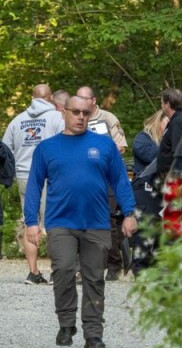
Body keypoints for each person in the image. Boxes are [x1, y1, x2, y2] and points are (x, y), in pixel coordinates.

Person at [24, 96, 137, 348]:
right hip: (61, 221)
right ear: (64, 112)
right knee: (63, 269)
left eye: (86, 112)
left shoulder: (104, 145)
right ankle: (66, 324)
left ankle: (93, 333)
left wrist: (129, 213)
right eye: (75, 112)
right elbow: (33, 185)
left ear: (91, 112)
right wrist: (31, 221)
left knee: (94, 277)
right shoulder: (47, 148)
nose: (81, 117)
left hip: (96, 222)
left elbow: (120, 180)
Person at [2, 83, 65, 285]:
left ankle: (33, 271)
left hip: (24, 175)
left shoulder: (17, 121)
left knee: (31, 222)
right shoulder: (57, 117)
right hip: (50, 176)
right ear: (50, 98)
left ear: (32, 97)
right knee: (54, 222)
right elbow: (66, 144)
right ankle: (56, 272)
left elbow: (5, 150)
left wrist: (13, 172)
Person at [75, 86, 128, 281]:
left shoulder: (108, 118)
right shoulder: (76, 120)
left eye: (84, 98)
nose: (80, 102)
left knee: (109, 221)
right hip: (83, 178)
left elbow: (121, 146)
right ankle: (85, 266)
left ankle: (115, 264)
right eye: (77, 97)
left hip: (107, 177)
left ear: (93, 101)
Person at [128, 110, 168, 275]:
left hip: (162, 195)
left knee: (160, 244)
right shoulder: (142, 139)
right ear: (158, 122)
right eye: (167, 125)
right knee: (143, 243)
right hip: (145, 195)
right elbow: (157, 156)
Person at [157, 88, 182, 177]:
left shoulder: (178, 122)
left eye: (161, 102)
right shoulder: (176, 120)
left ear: (167, 104)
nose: (161, 105)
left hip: (173, 178)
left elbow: (178, 153)